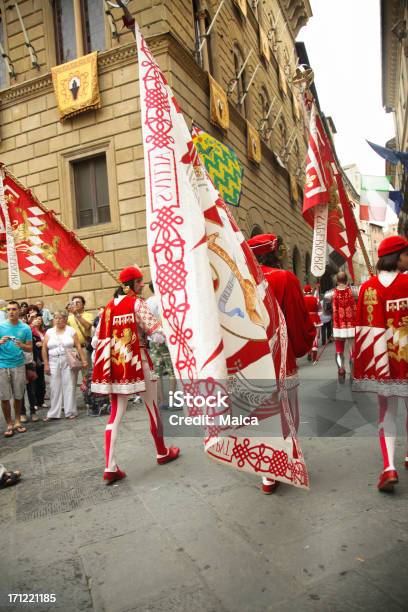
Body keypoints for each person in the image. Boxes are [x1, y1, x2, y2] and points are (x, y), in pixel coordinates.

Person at [92, 266, 180, 484]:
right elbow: (157, 336)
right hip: (139, 362)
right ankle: (162, 452)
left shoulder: (108, 309)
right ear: (129, 285)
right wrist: (169, 328)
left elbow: (95, 341)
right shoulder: (137, 304)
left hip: (116, 367)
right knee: (152, 408)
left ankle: (109, 466)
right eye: (139, 282)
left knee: (115, 414)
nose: (142, 285)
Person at [247, 234, 315, 493]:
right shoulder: (285, 278)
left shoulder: (241, 281)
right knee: (288, 409)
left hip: (250, 355)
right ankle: (288, 459)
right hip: (279, 353)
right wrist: (303, 344)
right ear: (274, 253)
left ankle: (267, 473)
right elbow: (297, 319)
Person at [353, 236, 408, 492]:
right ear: (398, 257)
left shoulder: (367, 288)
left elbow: (363, 330)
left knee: (387, 413)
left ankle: (389, 467)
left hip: (383, 365)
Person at [42, 310, 88, 421]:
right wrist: (46, 364)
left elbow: (78, 346)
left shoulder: (71, 331)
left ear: (65, 319)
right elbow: (44, 348)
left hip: (68, 360)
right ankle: (53, 413)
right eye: (56, 318)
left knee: (69, 385)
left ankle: (70, 411)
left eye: (60, 318)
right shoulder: (49, 332)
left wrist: (84, 360)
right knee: (54, 386)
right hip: (53, 360)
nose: (58, 320)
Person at [0, 301, 32, 437]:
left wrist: (21, 345)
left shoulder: (25, 328)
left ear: (19, 311)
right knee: (4, 397)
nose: (11, 312)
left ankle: (18, 421)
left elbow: (30, 348)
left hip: (18, 364)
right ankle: (9, 423)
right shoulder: (0, 326)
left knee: (18, 395)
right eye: (9, 310)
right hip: (2, 365)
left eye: (14, 309)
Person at [146, 281, 177, 409]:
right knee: (172, 371)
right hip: (167, 339)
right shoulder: (166, 300)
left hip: (153, 340)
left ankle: (161, 401)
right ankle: (171, 401)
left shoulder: (147, 302)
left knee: (157, 372)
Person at [324, 271, 359, 381]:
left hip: (338, 326)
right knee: (353, 350)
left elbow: (326, 310)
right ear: (346, 279)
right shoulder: (355, 291)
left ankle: (341, 369)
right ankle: (353, 373)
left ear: (337, 280)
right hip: (352, 324)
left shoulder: (329, 294)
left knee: (339, 350)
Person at [67, 296, 94, 363]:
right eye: (73, 303)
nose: (75, 304)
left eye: (78, 302)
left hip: (84, 348)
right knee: (75, 372)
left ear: (83, 304)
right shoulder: (69, 317)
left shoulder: (89, 315)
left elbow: (87, 326)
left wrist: (76, 314)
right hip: (73, 349)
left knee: (86, 372)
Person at [303, 284, 322, 362]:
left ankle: (309, 352)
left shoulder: (302, 299)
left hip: (306, 319)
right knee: (315, 338)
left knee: (308, 337)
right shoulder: (315, 299)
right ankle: (314, 356)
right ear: (311, 291)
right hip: (315, 318)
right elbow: (320, 309)